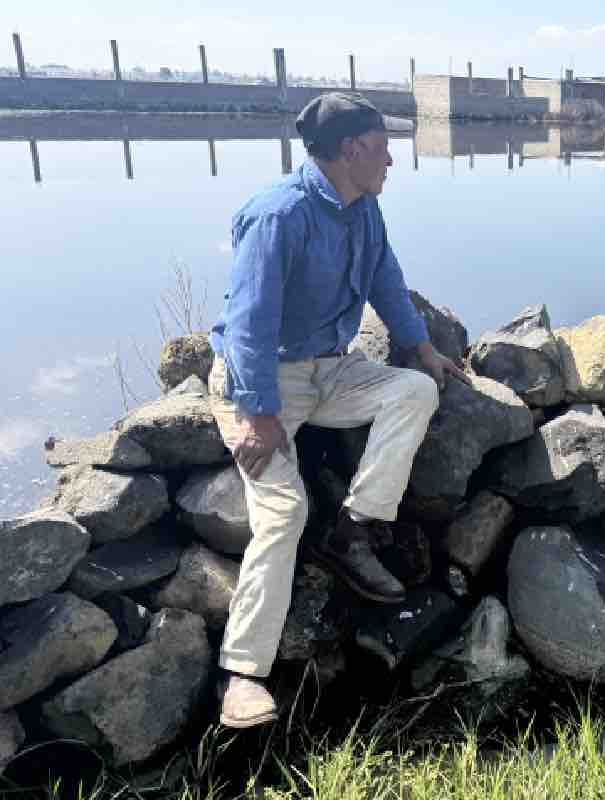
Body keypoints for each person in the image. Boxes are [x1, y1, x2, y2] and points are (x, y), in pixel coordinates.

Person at [207, 92, 467, 728]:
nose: (390, 163)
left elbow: (385, 279)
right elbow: (246, 327)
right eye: (383, 149)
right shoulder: (279, 216)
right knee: (283, 510)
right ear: (352, 151)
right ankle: (242, 676)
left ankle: (353, 532)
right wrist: (260, 412)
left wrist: (422, 348)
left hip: (333, 369)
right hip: (262, 379)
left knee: (414, 391)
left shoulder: (363, 207)